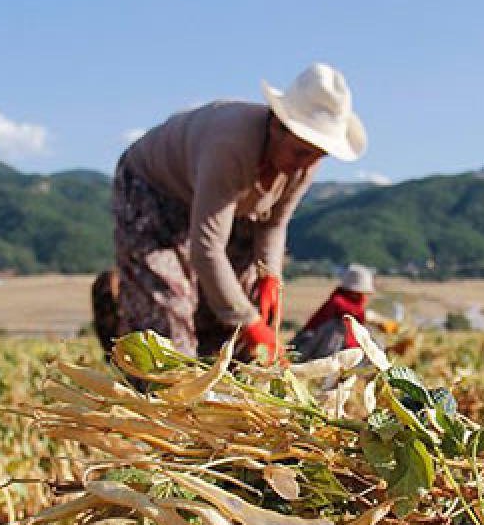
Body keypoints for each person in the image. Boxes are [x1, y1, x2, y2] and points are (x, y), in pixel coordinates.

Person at [92, 63, 366, 362]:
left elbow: (274, 224)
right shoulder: (230, 147)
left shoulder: (304, 163)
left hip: (223, 205)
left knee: (235, 303)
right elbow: (207, 250)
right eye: (300, 152)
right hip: (155, 189)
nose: (306, 164)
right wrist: (248, 321)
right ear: (277, 126)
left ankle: (220, 382)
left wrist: (270, 275)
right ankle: (157, 380)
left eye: (317, 156)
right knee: (168, 306)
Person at [291, 264, 375, 360]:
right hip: (311, 344)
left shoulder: (354, 303)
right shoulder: (337, 301)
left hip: (323, 344)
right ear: (353, 291)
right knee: (337, 327)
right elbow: (350, 312)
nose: (364, 297)